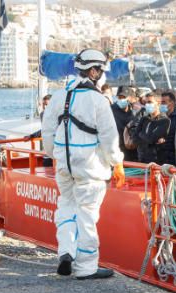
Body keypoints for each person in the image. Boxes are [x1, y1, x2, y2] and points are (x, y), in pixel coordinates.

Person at [40, 48, 125, 280]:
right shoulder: (98, 100)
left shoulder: (59, 96)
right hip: (90, 167)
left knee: (66, 207)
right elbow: (109, 138)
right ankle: (86, 266)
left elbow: (47, 133)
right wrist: (116, 162)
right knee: (87, 215)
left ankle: (66, 251)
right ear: (95, 71)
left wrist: (53, 154)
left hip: (64, 166)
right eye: (102, 71)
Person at [134, 92, 171, 165]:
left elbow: (151, 139)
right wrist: (143, 137)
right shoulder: (144, 119)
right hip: (142, 160)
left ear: (158, 103)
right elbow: (135, 138)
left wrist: (141, 134)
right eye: (146, 102)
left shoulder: (165, 120)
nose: (147, 105)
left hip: (157, 162)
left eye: (150, 102)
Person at [111, 86, 138, 162]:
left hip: (132, 150)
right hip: (117, 149)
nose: (121, 99)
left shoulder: (134, 111)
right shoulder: (111, 110)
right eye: (119, 97)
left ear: (129, 98)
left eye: (124, 97)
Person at [161, 91, 176, 165]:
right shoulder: (158, 117)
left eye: (164, 102)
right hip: (160, 159)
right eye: (161, 102)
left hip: (174, 159)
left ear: (172, 103)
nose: (161, 105)